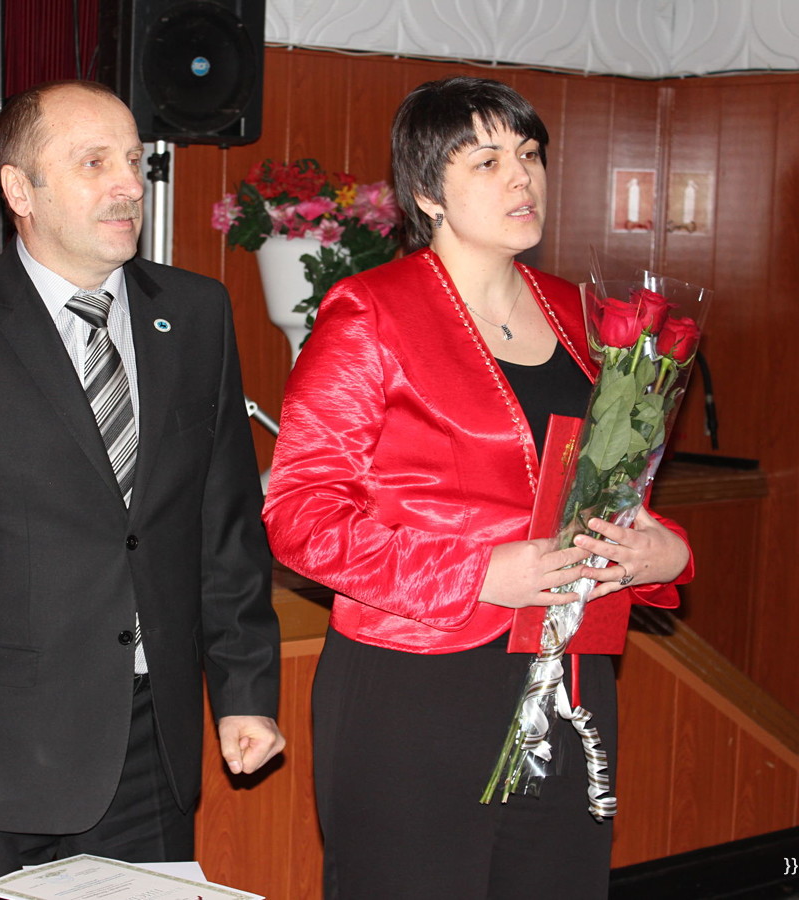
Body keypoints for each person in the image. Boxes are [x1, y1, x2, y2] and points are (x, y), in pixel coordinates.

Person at [0, 79, 284, 898]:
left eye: (133, 161)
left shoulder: (195, 315)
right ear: (20, 189)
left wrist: (245, 692)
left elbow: (223, 528)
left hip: (150, 750)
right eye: (94, 163)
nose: (128, 185)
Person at [261, 76, 693, 899]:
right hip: (419, 687)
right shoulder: (371, 313)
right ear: (427, 193)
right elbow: (300, 517)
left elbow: (609, 485)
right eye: (487, 161)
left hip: (570, 675)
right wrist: (478, 572)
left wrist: (660, 552)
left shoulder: (583, 315)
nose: (521, 177)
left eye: (529, 155)